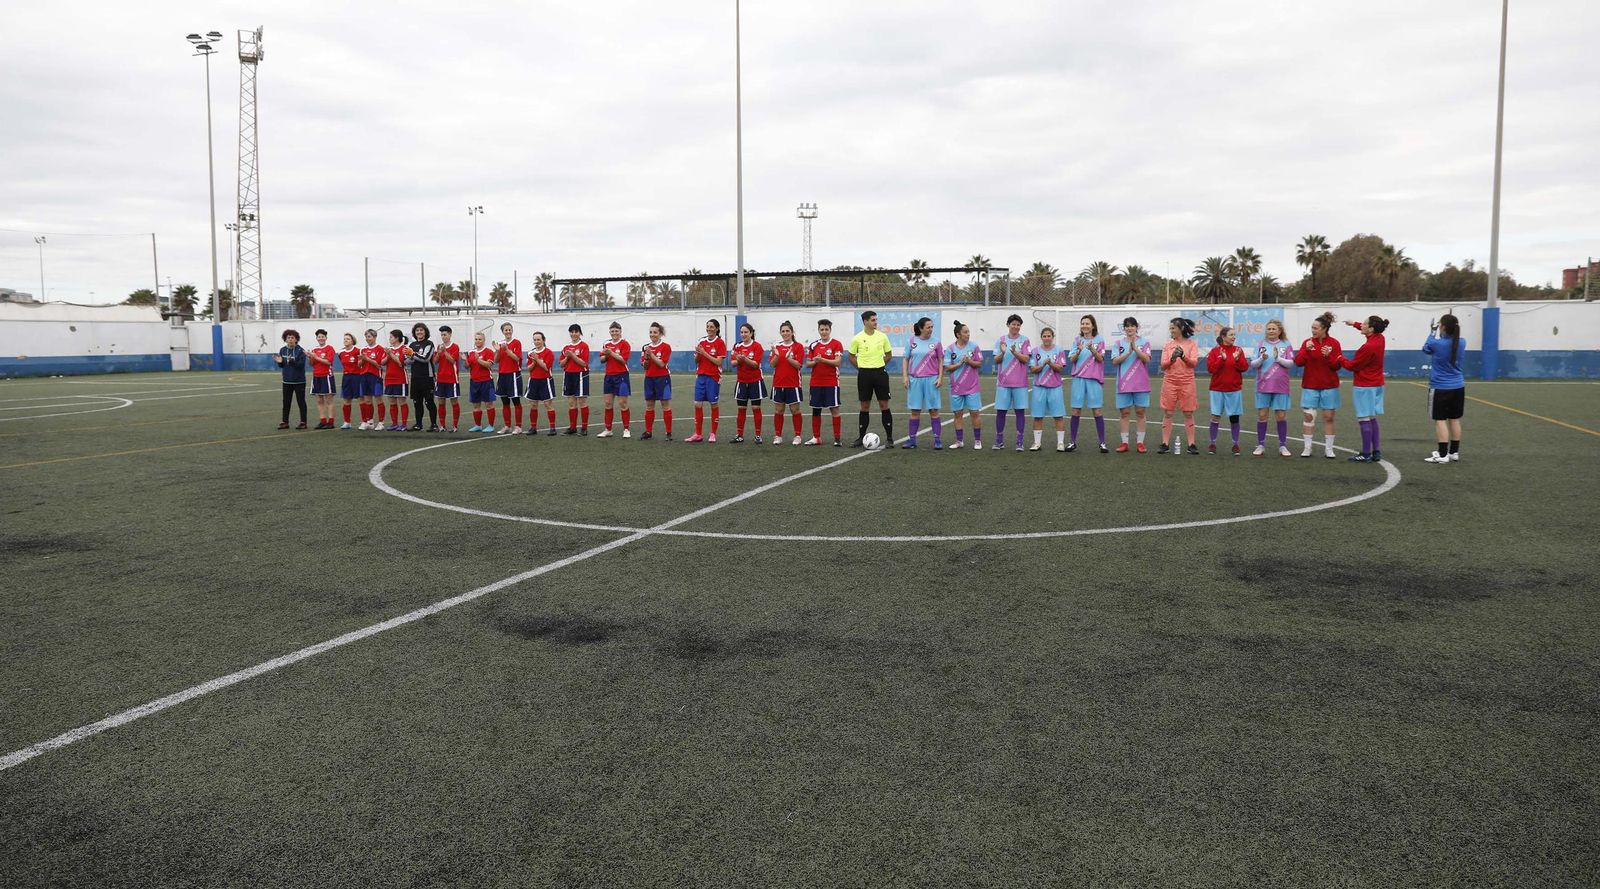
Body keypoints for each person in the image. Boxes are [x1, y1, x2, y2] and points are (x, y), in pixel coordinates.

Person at [1294, 310, 1343, 459]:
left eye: (1316, 328)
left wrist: (1328, 356)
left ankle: (1329, 449)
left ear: (1324, 329)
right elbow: (1298, 362)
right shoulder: (1307, 343)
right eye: (1312, 327)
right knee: (1309, 416)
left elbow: (1337, 366)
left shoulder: (1334, 343)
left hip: (1330, 386)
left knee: (1328, 417)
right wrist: (1306, 350)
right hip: (1310, 386)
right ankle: (1307, 448)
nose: (1313, 330)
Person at [1341, 315, 1389, 463]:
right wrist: (1353, 323)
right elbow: (1365, 328)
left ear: (1371, 328)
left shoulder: (1367, 347)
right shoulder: (1380, 338)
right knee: (1372, 417)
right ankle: (1376, 451)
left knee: (1363, 418)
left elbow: (1353, 366)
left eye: (1364, 324)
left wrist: (1338, 358)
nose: (1361, 325)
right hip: (1377, 384)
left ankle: (1366, 453)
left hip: (1364, 386)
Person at [1423, 313, 1466, 464]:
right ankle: (1454, 452)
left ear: (1443, 327)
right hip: (1458, 386)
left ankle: (1442, 455)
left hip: (1440, 387)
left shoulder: (1437, 344)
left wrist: (1432, 331)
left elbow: (1426, 348)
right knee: (1454, 419)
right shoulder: (1462, 342)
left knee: (1440, 420)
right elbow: (1447, 342)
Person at [848, 310, 894, 448]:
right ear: (865, 322)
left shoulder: (882, 336)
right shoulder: (857, 338)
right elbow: (851, 356)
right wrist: (861, 367)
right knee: (864, 406)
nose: (875, 322)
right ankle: (861, 437)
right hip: (864, 375)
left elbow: (889, 354)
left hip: (880, 373)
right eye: (873, 320)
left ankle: (889, 439)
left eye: (876, 320)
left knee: (884, 405)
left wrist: (879, 365)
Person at [1250, 320, 1295, 457]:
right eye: (1268, 329)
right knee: (1262, 415)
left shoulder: (1286, 344)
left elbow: (1291, 363)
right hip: (1263, 385)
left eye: (1273, 329)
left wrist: (1278, 358)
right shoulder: (1260, 344)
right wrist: (1261, 359)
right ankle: (1260, 445)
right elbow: (1253, 364)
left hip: (1281, 385)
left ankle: (1282, 446)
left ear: (1279, 331)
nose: (1271, 331)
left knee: (1281, 415)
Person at [1110, 316, 1151, 453]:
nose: (1130, 328)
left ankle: (1140, 443)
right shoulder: (1118, 344)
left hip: (1141, 383)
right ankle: (1124, 443)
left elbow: (1146, 359)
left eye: (1132, 326)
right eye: (1127, 326)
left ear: (1136, 327)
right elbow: (1115, 361)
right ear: (1124, 328)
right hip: (1124, 384)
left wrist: (1136, 349)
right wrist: (1128, 352)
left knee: (1140, 412)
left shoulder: (1145, 342)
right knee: (1124, 413)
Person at [1205, 326, 1249, 456]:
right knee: (1215, 416)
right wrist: (1222, 359)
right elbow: (1211, 369)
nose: (1234, 337)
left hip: (1234, 389)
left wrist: (1236, 359)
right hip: (1217, 389)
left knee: (1234, 418)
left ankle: (1235, 444)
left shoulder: (1238, 350)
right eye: (1231, 335)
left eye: (1234, 335)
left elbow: (1244, 367)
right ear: (1223, 337)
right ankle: (1212, 443)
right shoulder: (1215, 351)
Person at [901, 316, 943, 449]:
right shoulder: (911, 341)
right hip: (915, 380)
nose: (931, 329)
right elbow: (905, 359)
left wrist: (940, 377)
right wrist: (905, 377)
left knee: (934, 410)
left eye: (932, 327)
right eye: (928, 327)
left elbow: (940, 360)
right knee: (915, 411)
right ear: (920, 328)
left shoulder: (936, 342)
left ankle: (937, 441)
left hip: (931, 379)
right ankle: (912, 440)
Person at [1067, 314, 1107, 453]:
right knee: (1076, 410)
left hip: (1093, 379)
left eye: (1087, 323)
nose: (1084, 326)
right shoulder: (1077, 340)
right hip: (1079, 379)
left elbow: (1101, 359)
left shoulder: (1099, 340)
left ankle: (1102, 443)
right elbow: (1072, 360)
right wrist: (1079, 350)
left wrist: (1092, 349)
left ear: (1093, 325)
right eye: (1083, 323)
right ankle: (1072, 442)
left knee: (1097, 410)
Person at [1159, 317, 1199, 455]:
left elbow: (1193, 363)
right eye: (1170, 328)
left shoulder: (1192, 344)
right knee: (1168, 412)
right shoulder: (1168, 345)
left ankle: (1191, 444)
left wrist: (1183, 356)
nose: (1171, 330)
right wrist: (1172, 358)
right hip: (1170, 382)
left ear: (1181, 328)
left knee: (1188, 413)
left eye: (1173, 328)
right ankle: (1165, 443)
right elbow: (1163, 365)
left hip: (1187, 382)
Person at [993, 314, 1031, 452]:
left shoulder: (1025, 340)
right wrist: (1003, 353)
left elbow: (1026, 359)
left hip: (1020, 383)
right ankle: (999, 440)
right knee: (1001, 412)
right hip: (1003, 383)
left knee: (1020, 412)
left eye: (1018, 324)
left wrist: (1015, 352)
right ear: (1008, 325)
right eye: (1013, 324)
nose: (1015, 326)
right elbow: (996, 360)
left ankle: (1020, 442)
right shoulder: (1001, 340)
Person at [944, 320, 984, 450]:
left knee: (974, 413)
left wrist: (969, 361)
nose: (968, 334)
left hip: (972, 387)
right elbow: (947, 367)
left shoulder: (974, 346)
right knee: (957, 414)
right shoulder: (950, 349)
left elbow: (979, 363)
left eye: (968, 332)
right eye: (965, 332)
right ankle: (959, 441)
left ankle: (977, 441)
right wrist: (959, 363)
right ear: (958, 335)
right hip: (955, 387)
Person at [686, 319, 727, 443]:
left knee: (713, 404)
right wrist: (699, 354)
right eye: (707, 326)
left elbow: (718, 362)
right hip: (701, 376)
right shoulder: (701, 341)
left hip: (713, 377)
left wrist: (704, 353)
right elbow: (696, 361)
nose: (709, 329)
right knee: (697, 404)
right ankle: (698, 434)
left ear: (717, 328)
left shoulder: (720, 343)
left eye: (712, 327)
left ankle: (713, 434)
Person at [805, 319, 845, 446]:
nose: (824, 332)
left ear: (830, 330)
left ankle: (837, 439)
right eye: (821, 329)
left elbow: (838, 362)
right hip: (816, 382)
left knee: (834, 409)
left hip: (831, 382)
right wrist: (815, 361)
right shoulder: (813, 345)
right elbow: (808, 364)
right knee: (816, 410)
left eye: (826, 329)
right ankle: (816, 437)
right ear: (818, 330)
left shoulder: (836, 344)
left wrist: (822, 360)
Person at [1028, 327, 1068, 452]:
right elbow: (1033, 369)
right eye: (1044, 336)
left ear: (1052, 337)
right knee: (1038, 416)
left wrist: (1051, 364)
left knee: (1058, 416)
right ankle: (1037, 443)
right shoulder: (1035, 351)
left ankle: (1060, 443)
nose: (1046, 338)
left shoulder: (1059, 350)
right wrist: (1043, 364)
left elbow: (1060, 368)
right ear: (1041, 337)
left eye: (1049, 336)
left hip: (1055, 387)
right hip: (1039, 388)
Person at [769, 321, 806, 445]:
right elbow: (772, 364)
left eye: (787, 331)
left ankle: (797, 436)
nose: (785, 333)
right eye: (783, 331)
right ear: (780, 333)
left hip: (793, 384)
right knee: (779, 410)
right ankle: (778, 436)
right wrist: (777, 355)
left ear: (792, 332)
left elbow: (799, 365)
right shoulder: (776, 347)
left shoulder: (798, 346)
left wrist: (789, 358)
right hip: (778, 383)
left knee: (795, 410)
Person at [731, 322, 767, 443]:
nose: (743, 334)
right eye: (741, 332)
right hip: (741, 382)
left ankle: (758, 435)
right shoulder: (737, 346)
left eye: (746, 332)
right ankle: (739, 435)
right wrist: (739, 360)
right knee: (741, 409)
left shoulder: (757, 346)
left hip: (755, 382)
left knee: (756, 408)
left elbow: (755, 365)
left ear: (751, 333)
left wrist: (744, 359)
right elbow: (732, 363)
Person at [596, 322, 632, 438]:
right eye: (612, 331)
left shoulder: (625, 344)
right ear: (609, 332)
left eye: (616, 331)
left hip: (621, 376)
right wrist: (606, 355)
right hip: (609, 376)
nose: (614, 333)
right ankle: (608, 429)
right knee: (608, 403)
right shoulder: (606, 344)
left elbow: (623, 360)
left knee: (622, 403)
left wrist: (611, 353)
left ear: (620, 332)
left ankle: (626, 429)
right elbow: (602, 359)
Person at [640, 322, 673, 441]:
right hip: (649, 379)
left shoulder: (666, 347)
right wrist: (646, 359)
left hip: (663, 378)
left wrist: (651, 354)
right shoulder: (645, 347)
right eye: (650, 332)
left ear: (660, 334)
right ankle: (648, 431)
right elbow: (645, 366)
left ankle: (668, 433)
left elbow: (661, 364)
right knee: (649, 405)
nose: (652, 334)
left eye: (655, 332)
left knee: (665, 405)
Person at [272, 328, 309, 430]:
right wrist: (280, 362)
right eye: (288, 338)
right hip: (286, 380)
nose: (290, 339)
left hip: (299, 381)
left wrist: (292, 362)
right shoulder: (282, 350)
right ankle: (285, 422)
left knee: (301, 401)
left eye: (293, 338)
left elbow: (300, 366)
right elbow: (282, 365)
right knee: (286, 402)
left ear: (296, 339)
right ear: (285, 339)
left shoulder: (300, 351)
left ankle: (303, 422)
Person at [559, 323, 591, 435]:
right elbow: (561, 364)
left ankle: (584, 428)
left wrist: (572, 355)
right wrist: (567, 357)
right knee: (571, 403)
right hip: (568, 375)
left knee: (582, 402)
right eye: (571, 332)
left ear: (580, 333)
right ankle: (572, 427)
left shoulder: (584, 346)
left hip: (581, 375)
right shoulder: (566, 347)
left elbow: (584, 363)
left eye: (576, 331)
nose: (574, 334)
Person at [525, 330, 557, 436]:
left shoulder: (548, 352)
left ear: (543, 340)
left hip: (545, 380)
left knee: (548, 404)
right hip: (533, 381)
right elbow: (529, 368)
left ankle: (552, 428)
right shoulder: (530, 353)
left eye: (538, 339)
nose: (536, 342)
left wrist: (537, 359)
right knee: (533, 405)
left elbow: (546, 367)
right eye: (534, 340)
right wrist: (534, 362)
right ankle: (533, 427)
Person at [494, 322, 524, 435]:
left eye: (509, 329)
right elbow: (496, 360)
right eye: (505, 330)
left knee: (516, 401)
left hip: (513, 375)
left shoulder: (516, 343)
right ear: (502, 332)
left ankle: (518, 426)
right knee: (505, 402)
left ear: (512, 330)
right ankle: (507, 425)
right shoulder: (500, 344)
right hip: (502, 375)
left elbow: (517, 358)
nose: (508, 332)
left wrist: (506, 350)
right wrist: (498, 350)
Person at [407, 322, 438, 432]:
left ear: (425, 332)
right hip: (415, 377)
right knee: (417, 402)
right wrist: (406, 357)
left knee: (429, 401)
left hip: (427, 377)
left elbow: (425, 358)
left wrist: (412, 354)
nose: (419, 332)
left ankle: (434, 424)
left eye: (421, 330)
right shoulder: (412, 345)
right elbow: (408, 361)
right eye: (417, 330)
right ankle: (418, 424)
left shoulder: (429, 343)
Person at [380, 329, 412, 431]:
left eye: (391, 337)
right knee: (392, 402)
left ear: (397, 338)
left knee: (402, 402)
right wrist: (388, 354)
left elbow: (400, 363)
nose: (389, 339)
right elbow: (382, 362)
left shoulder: (404, 349)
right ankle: (394, 424)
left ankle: (404, 424)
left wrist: (391, 354)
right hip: (389, 379)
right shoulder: (389, 349)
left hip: (400, 379)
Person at [467, 331, 498, 433]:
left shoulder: (489, 351)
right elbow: (467, 366)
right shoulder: (471, 352)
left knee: (489, 404)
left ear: (484, 340)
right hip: (474, 382)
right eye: (476, 339)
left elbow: (489, 365)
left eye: (480, 339)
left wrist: (479, 360)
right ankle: (478, 425)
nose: (478, 341)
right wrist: (464, 360)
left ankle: (491, 425)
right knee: (476, 405)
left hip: (486, 381)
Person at [433, 325, 462, 433]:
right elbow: (435, 361)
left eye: (445, 334)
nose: (443, 337)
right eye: (442, 335)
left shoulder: (455, 346)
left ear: (450, 335)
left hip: (452, 379)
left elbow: (452, 361)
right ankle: (442, 425)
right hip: (441, 379)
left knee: (454, 402)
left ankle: (455, 426)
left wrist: (445, 351)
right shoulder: (439, 347)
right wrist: (438, 353)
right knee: (441, 402)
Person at [307, 329, 337, 429]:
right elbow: (311, 364)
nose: (321, 338)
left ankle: (331, 422)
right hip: (316, 376)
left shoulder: (329, 348)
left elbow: (328, 362)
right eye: (319, 337)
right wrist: (310, 357)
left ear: (326, 338)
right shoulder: (314, 350)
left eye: (322, 337)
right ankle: (322, 421)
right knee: (319, 400)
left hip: (327, 376)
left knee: (329, 400)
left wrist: (316, 357)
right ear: (316, 338)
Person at [359, 328, 387, 429]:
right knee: (367, 400)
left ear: (375, 337)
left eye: (369, 336)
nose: (367, 338)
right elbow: (359, 364)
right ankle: (370, 422)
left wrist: (367, 358)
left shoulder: (380, 349)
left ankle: (381, 422)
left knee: (378, 399)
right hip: (364, 376)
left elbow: (378, 364)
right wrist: (363, 360)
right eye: (366, 337)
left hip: (375, 376)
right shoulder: (363, 349)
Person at [337, 333, 363, 429]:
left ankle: (364, 421)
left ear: (352, 341)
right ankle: (347, 422)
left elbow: (361, 363)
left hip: (357, 377)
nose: (345, 340)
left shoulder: (358, 351)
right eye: (344, 339)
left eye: (348, 339)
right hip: (346, 377)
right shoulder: (341, 353)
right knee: (346, 399)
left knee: (360, 399)